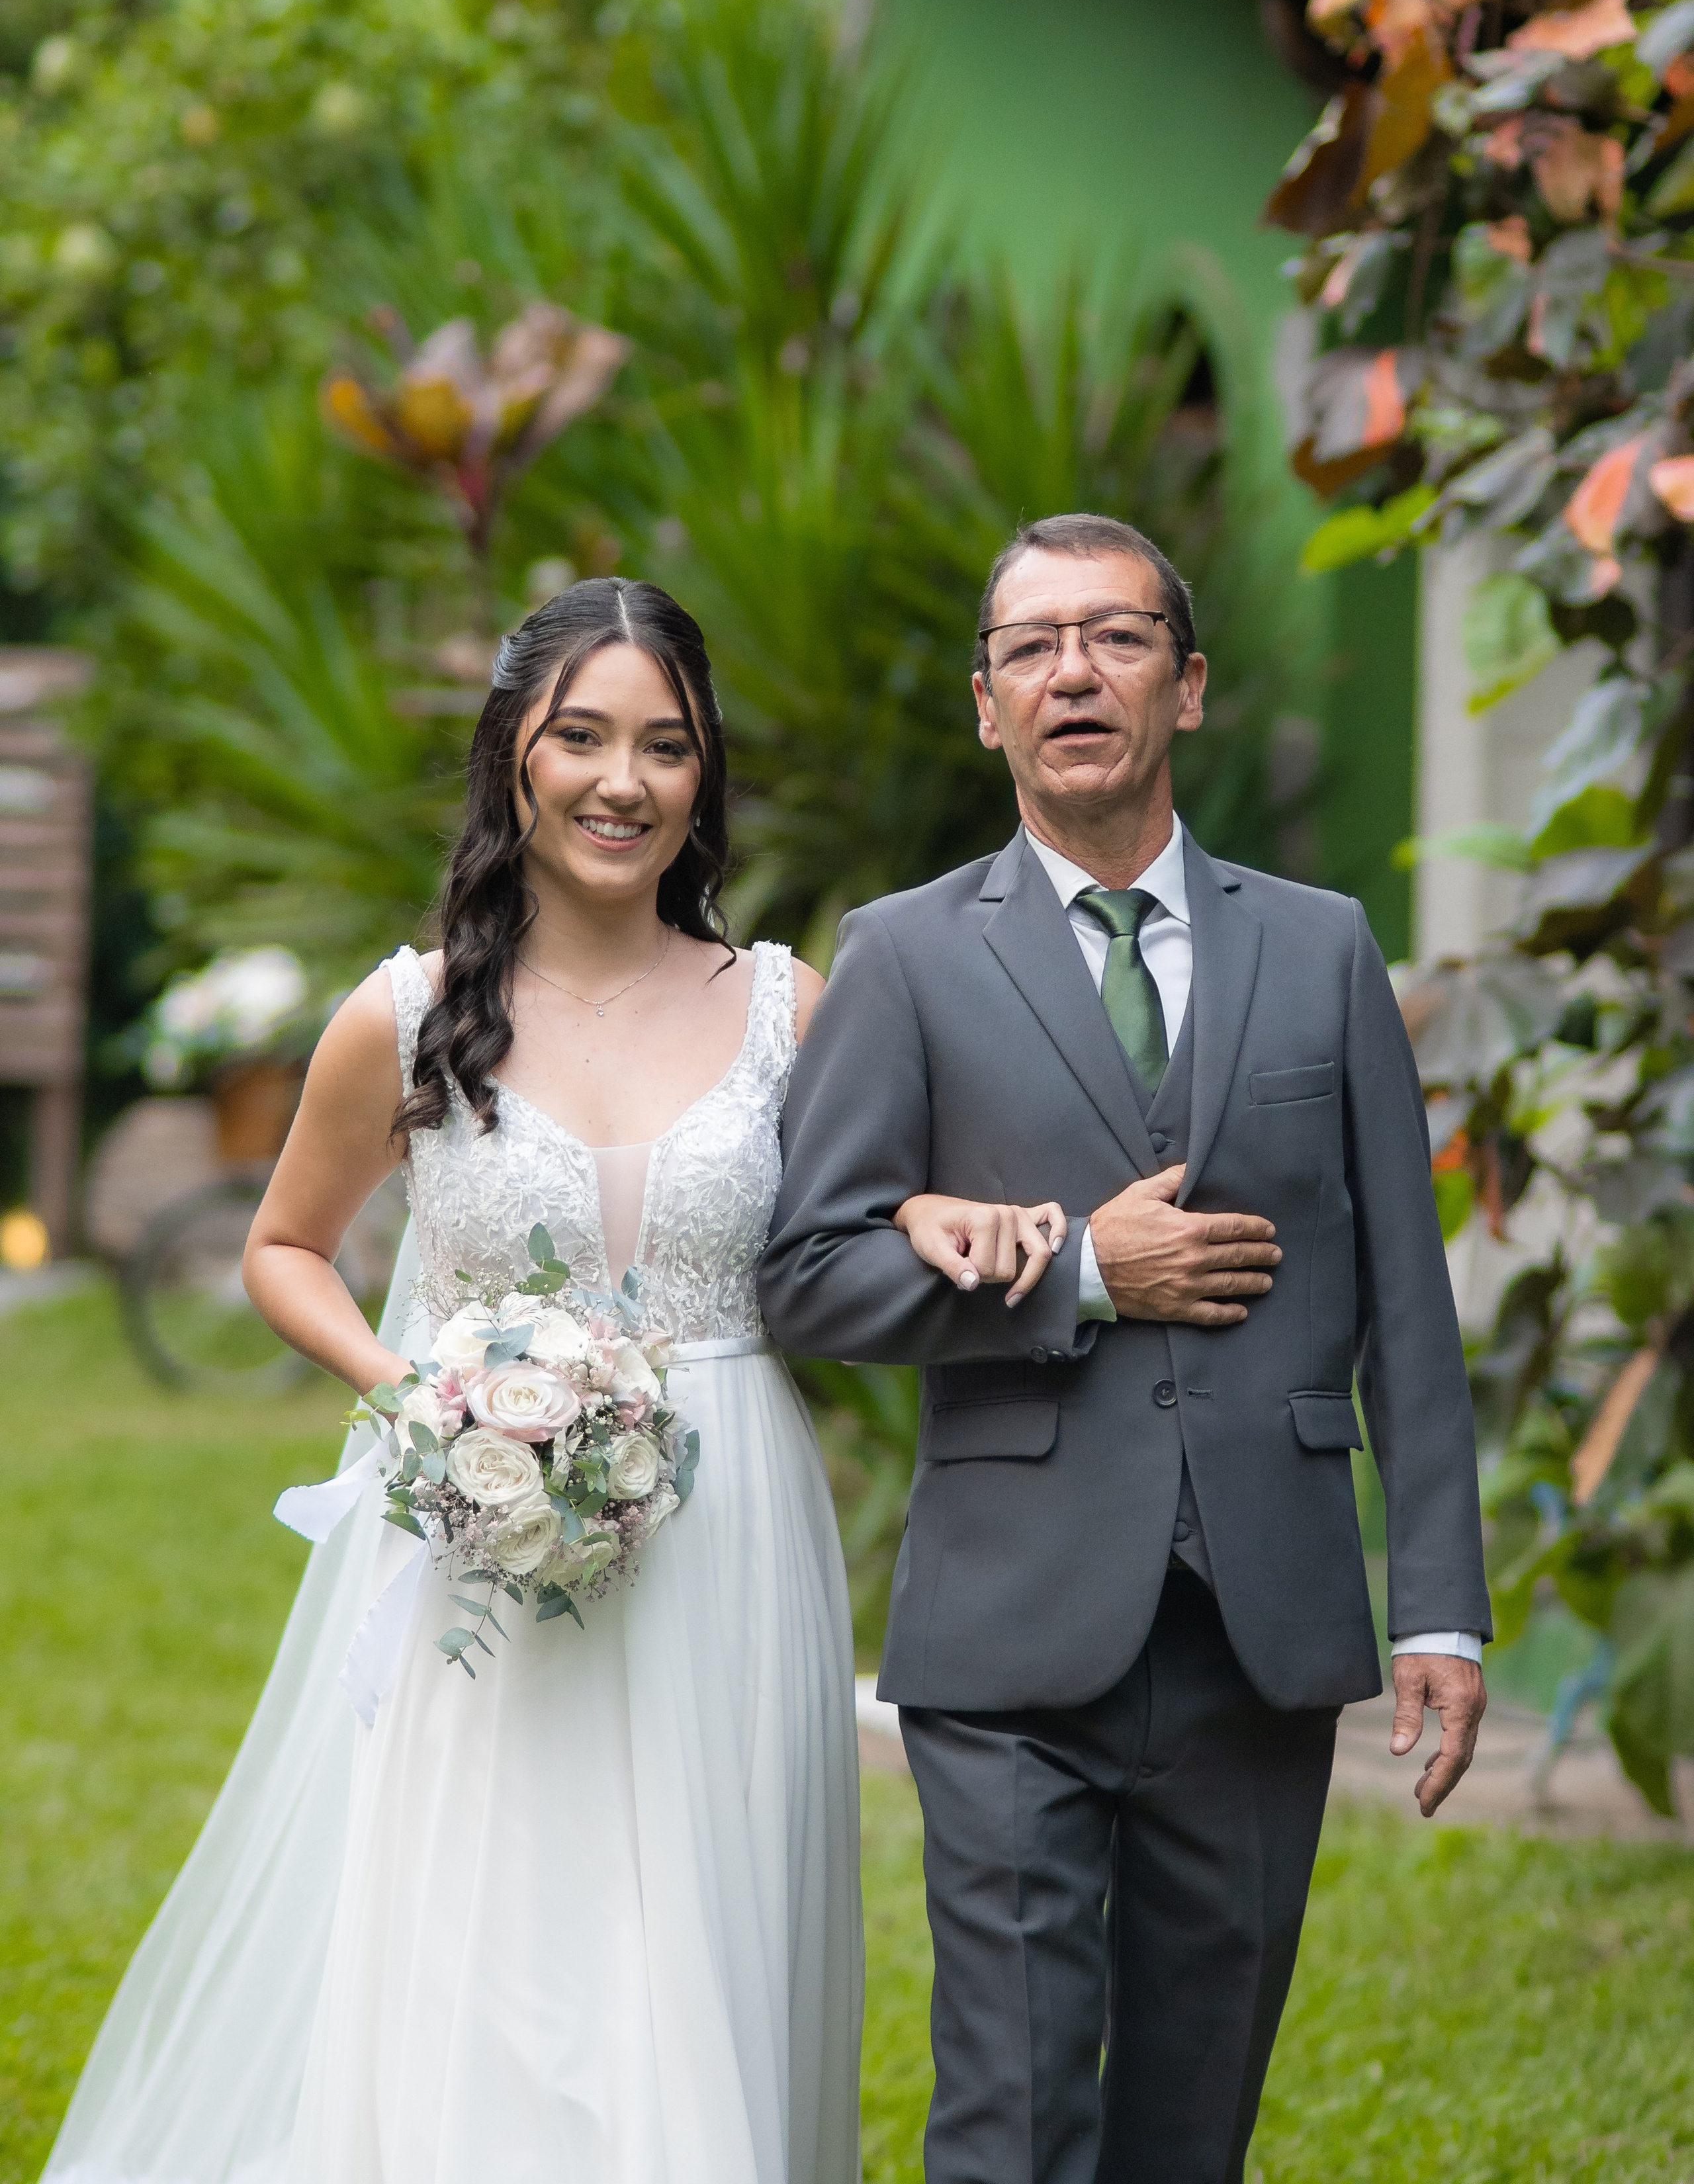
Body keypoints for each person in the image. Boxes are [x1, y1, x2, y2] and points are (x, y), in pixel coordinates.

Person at [45, 579, 864, 2184]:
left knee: (710, 1934)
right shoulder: (412, 1013)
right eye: (581, 738)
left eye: (667, 746)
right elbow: (286, 1246)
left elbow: (872, 1235)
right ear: (514, 760)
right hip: (487, 1540)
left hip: (735, 1536)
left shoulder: (786, 1008)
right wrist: (426, 1396)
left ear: (705, 782)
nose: (622, 780)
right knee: (498, 1946)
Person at [760, 513, 1492, 2184]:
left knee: (1193, 2120)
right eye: (1030, 645)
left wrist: (1436, 1602)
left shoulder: (1319, 947)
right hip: (1009, 1626)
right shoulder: (906, 954)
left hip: (1262, 1626)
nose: (1071, 671)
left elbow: (1405, 1305)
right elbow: (805, 1277)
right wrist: (1080, 1270)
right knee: (1009, 2113)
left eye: (1114, 636)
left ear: (1189, 684)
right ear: (985, 706)